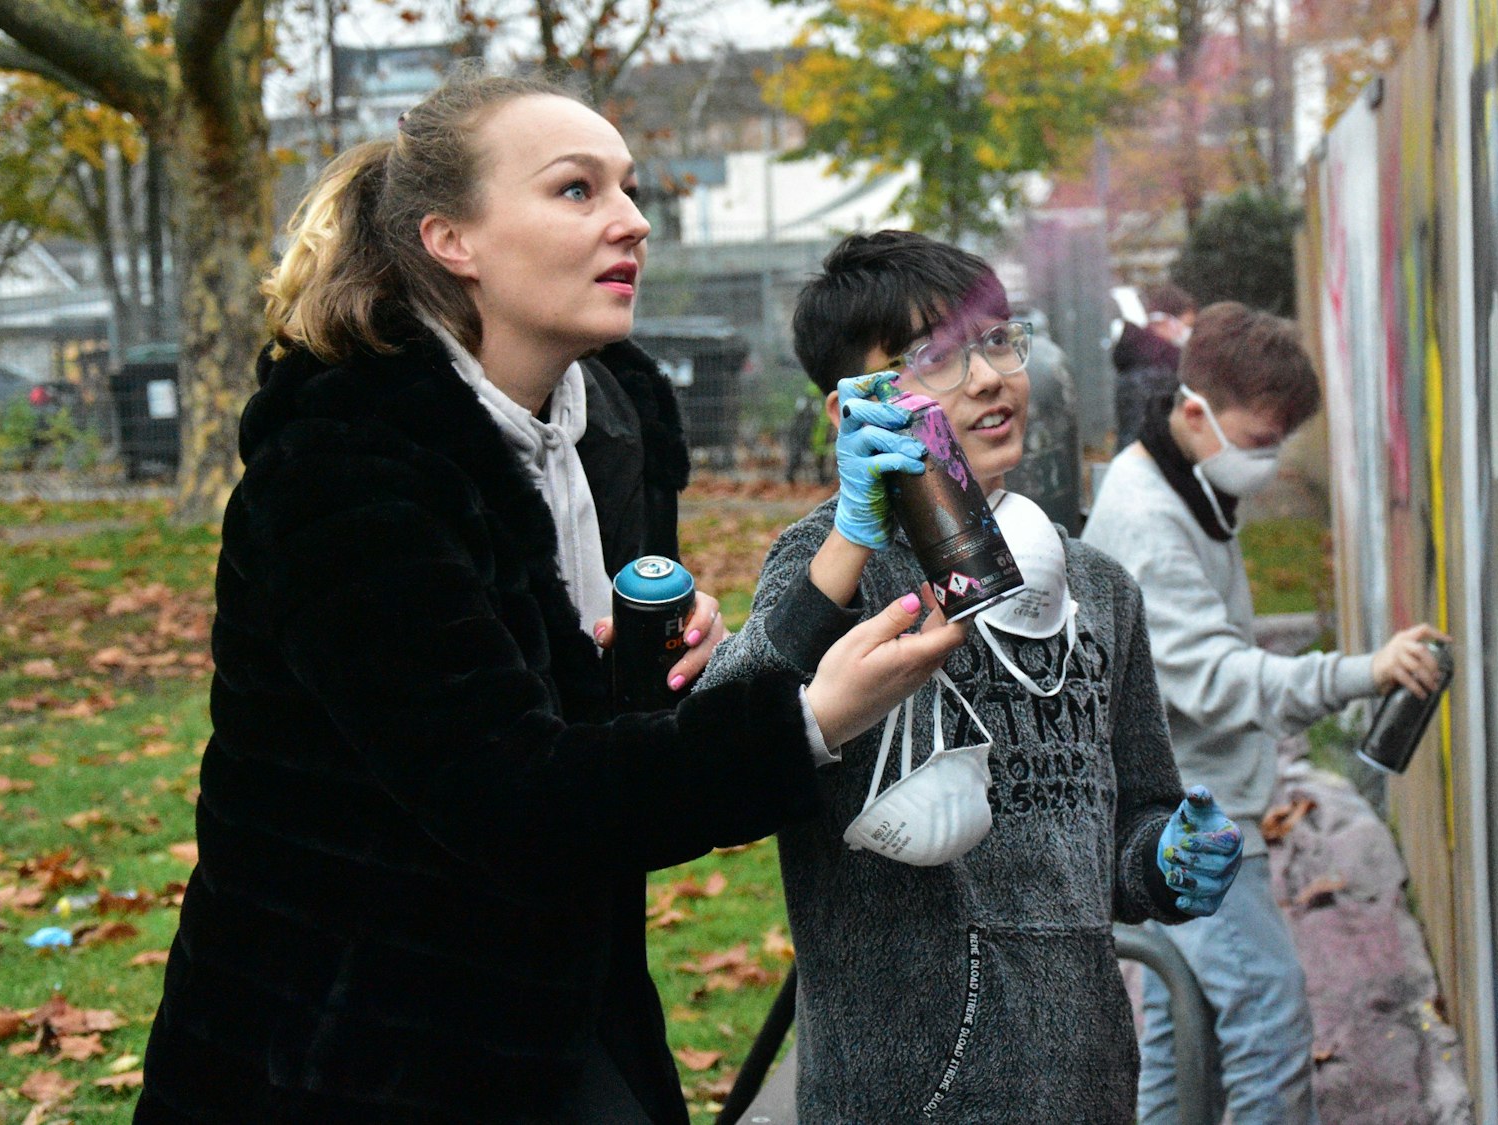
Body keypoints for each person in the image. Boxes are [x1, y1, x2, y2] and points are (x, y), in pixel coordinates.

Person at [133, 75, 963, 1125]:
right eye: (575, 190)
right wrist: (806, 722)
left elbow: (570, 733)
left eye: (626, 187)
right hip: (347, 1042)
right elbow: (508, 794)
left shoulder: (595, 427)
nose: (631, 220)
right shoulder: (344, 468)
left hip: (555, 1000)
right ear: (452, 239)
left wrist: (641, 675)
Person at [703, 230, 1244, 1123]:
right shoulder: (829, 566)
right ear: (852, 411)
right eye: (937, 358)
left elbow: (1127, 823)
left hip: (1086, 1078)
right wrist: (849, 538)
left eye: (998, 338)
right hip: (904, 1095)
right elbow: (724, 742)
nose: (990, 376)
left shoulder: (1099, 588)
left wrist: (1165, 861)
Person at [1082, 301, 1447, 1125]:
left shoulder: (1186, 481)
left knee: (1187, 1028)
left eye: (1279, 441)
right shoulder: (1148, 519)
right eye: (1256, 441)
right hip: (1188, 814)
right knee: (1269, 1017)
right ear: (1193, 410)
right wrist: (1361, 672)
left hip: (1182, 804)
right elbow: (1217, 678)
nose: (1269, 462)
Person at [1111, 282, 1197, 449]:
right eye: (1187, 325)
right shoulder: (1158, 370)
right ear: (1166, 321)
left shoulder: (1138, 357)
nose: (1188, 332)